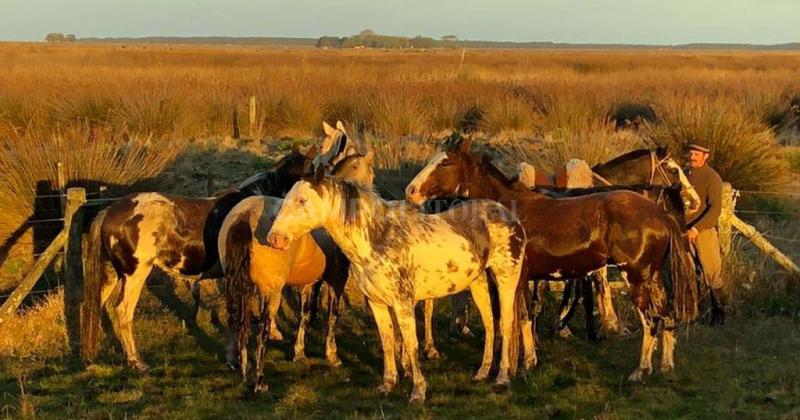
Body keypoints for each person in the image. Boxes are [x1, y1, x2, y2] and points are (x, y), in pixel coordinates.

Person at [685, 143, 728, 325]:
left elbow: (715, 209)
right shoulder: (684, 175)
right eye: (691, 153)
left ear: (706, 156)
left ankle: (719, 315)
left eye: (697, 154)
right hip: (683, 232)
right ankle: (691, 314)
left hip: (704, 231)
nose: (693, 157)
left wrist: (697, 228)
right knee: (687, 272)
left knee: (712, 274)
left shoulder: (712, 177)